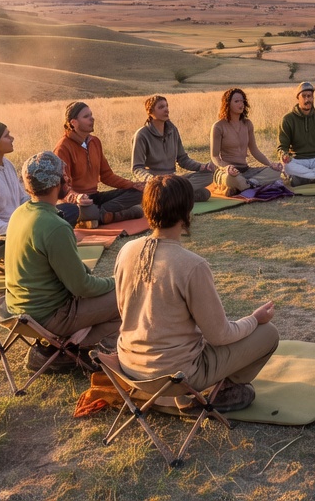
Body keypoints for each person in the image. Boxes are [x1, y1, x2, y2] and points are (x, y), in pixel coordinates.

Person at [112, 175, 280, 412]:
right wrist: (254, 319)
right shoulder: (192, 265)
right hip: (176, 375)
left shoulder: (126, 250)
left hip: (129, 365)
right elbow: (219, 335)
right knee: (268, 333)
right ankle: (219, 392)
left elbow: (124, 310)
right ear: (187, 212)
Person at [5, 151, 122, 372]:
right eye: (64, 175)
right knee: (128, 295)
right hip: (50, 315)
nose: (68, 179)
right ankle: (77, 352)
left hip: (20, 310)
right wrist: (117, 282)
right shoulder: (54, 226)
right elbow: (82, 287)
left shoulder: (20, 213)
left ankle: (60, 349)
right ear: (57, 182)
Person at [0, 121, 80, 251]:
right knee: (44, 232)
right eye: (6, 136)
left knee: (68, 211)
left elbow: (22, 199)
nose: (12, 138)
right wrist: (19, 230)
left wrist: (42, 212)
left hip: (16, 224)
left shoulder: (7, 164)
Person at [54, 101, 144, 225]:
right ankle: (101, 215)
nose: (92, 118)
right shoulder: (63, 148)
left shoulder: (95, 141)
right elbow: (62, 188)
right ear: (73, 123)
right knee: (136, 211)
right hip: (77, 202)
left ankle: (99, 214)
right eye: (86, 116)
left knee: (140, 193)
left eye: (91, 115)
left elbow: (107, 176)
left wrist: (132, 185)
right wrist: (77, 197)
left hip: (95, 198)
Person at [132, 94, 216, 203]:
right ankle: (170, 194)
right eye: (161, 107)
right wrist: (151, 179)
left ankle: (169, 195)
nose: (166, 109)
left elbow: (183, 159)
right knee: (202, 193)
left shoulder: (173, 130)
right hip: (155, 182)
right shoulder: (141, 135)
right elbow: (137, 168)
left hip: (172, 180)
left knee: (208, 177)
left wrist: (202, 167)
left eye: (167, 106)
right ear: (150, 112)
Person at [209, 87, 282, 195]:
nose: (241, 104)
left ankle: (245, 185)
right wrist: (227, 167)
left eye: (242, 101)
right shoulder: (218, 126)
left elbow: (254, 150)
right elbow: (215, 156)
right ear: (228, 104)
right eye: (237, 101)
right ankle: (249, 184)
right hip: (228, 171)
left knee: (276, 172)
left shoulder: (247, 124)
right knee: (230, 178)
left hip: (246, 170)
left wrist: (271, 164)